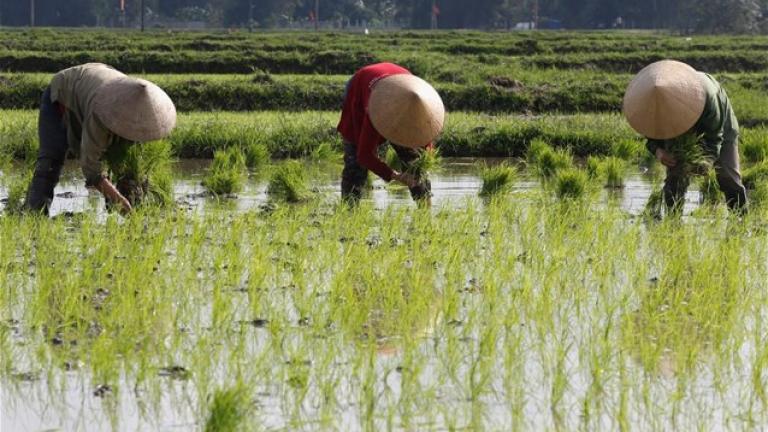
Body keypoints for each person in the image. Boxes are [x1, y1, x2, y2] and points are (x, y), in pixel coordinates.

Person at [23, 63, 177, 215]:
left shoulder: (137, 115)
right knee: (51, 159)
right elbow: (90, 166)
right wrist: (116, 198)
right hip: (63, 92)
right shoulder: (101, 112)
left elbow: (126, 159)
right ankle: (34, 213)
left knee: (122, 157)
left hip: (95, 80)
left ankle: (125, 204)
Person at [623, 60, 747, 214]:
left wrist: (707, 161)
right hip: (676, 126)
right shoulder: (653, 104)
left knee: (728, 175)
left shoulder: (709, 96)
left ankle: (740, 218)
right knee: (676, 175)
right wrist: (658, 151)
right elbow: (651, 134)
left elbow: (715, 136)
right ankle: (672, 220)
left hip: (721, 128)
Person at [337, 62, 445, 205]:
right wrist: (396, 176)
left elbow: (426, 146)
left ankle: (425, 210)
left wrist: (419, 168)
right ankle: (349, 212)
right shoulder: (376, 110)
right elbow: (364, 155)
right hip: (360, 83)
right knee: (355, 165)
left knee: (415, 161)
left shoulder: (420, 110)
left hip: (404, 85)